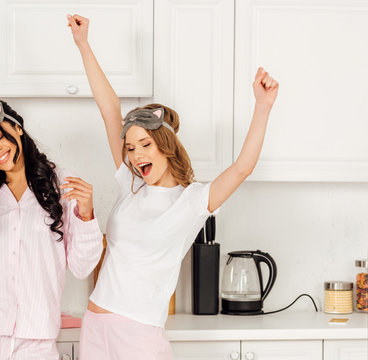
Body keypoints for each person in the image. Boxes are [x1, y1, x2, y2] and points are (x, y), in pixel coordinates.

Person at [67, 14, 279, 359]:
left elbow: (242, 168)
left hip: (139, 334)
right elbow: (109, 110)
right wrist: (83, 44)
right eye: (131, 147)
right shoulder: (130, 183)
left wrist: (263, 107)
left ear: (165, 146)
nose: (135, 155)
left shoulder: (192, 201)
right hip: (95, 325)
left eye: (145, 145)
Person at [0, 98, 103, 359]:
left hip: (36, 335)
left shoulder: (61, 184)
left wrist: (86, 215)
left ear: (18, 128)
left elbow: (82, 267)